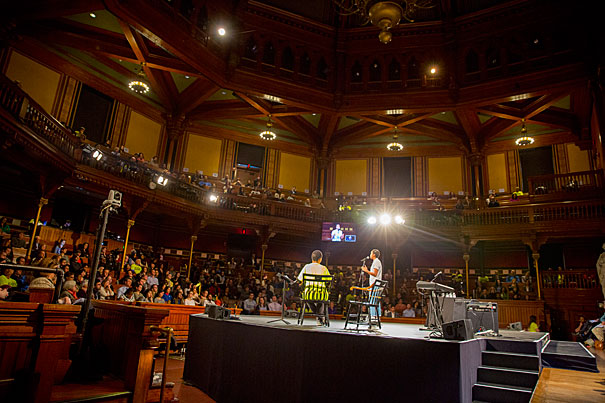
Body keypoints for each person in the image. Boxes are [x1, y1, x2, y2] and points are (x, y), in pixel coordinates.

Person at [296, 250, 331, 325]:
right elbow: (328, 280)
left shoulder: (306, 267)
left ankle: (318, 316)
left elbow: (299, 280)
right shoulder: (324, 268)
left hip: (309, 293)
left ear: (312, 258)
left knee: (307, 298)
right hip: (321, 294)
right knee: (321, 299)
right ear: (320, 259)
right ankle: (320, 317)